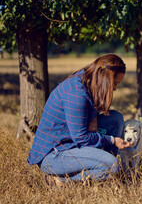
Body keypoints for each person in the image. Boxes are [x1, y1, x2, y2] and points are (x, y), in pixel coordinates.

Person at [27, 54, 132, 184]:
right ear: (105, 78)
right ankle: (59, 180)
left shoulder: (87, 79)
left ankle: (101, 166)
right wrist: (111, 140)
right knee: (112, 165)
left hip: (71, 143)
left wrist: (93, 117)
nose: (115, 88)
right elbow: (81, 137)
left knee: (115, 118)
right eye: (115, 83)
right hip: (54, 155)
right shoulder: (76, 93)